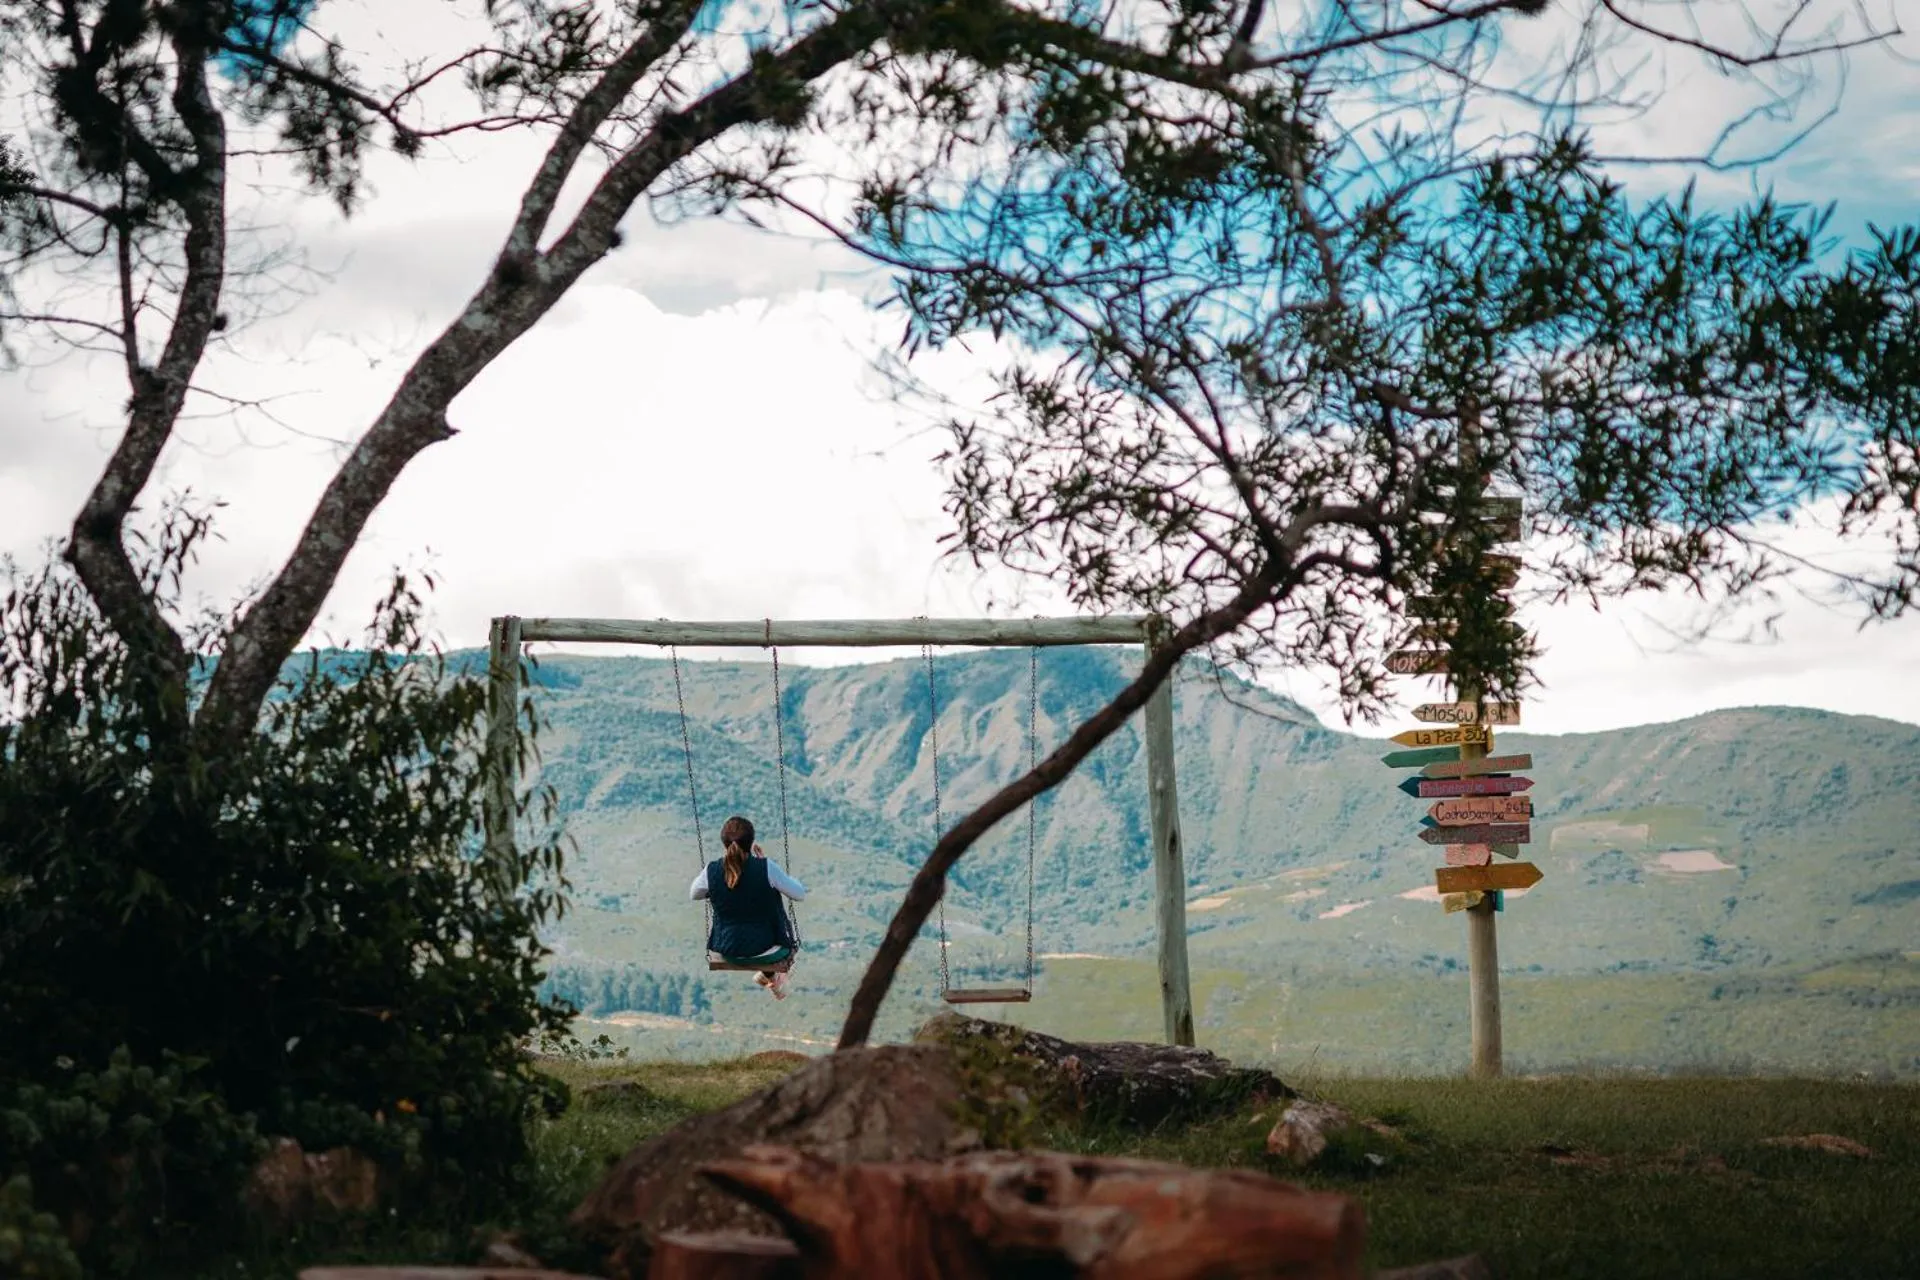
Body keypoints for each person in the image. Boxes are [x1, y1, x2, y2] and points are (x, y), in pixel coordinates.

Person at [689, 815, 806, 999]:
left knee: (752, 925)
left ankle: (770, 976)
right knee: (781, 939)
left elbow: (694, 894)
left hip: (729, 952)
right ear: (751, 842)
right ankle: (774, 976)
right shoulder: (766, 867)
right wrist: (769, 871)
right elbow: (799, 894)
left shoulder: (711, 870)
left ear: (724, 843)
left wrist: (718, 886)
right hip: (768, 952)